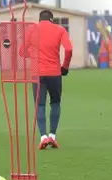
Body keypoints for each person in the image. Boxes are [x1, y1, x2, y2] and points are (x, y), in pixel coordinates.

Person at [27, 10, 72, 149]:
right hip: (54, 72)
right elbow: (69, 49)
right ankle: (52, 136)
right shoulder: (59, 29)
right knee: (55, 103)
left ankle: (43, 136)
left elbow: (22, 51)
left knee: (40, 105)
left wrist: (35, 55)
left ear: (39, 19)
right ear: (51, 19)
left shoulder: (32, 30)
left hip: (37, 73)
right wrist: (64, 67)